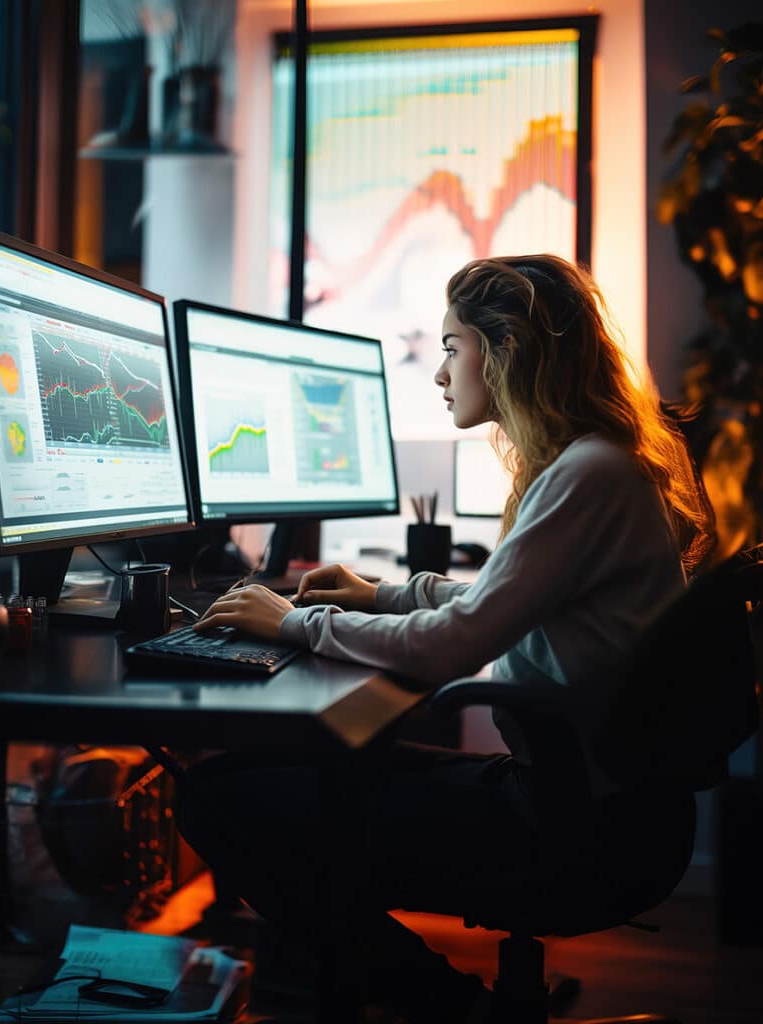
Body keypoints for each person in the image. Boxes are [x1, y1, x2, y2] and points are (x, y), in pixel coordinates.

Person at [177, 255, 715, 1023]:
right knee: (254, 775)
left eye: (451, 347)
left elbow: (449, 648)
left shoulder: (586, 473)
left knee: (217, 804)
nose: (439, 374)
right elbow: (505, 598)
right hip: (597, 807)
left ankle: (453, 1009)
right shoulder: (601, 461)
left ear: (506, 352)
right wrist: (382, 593)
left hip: (571, 829)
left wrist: (293, 621)